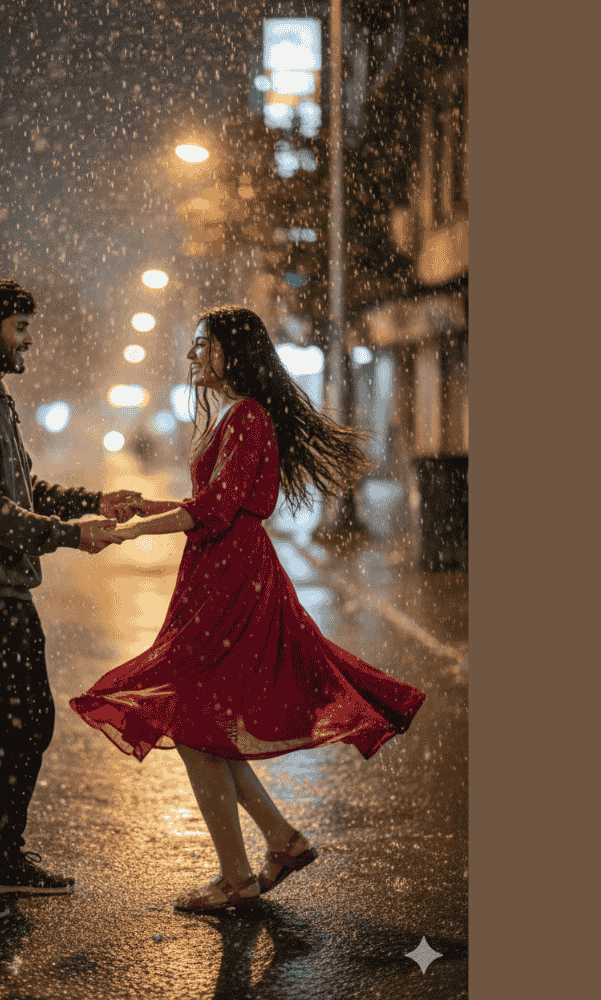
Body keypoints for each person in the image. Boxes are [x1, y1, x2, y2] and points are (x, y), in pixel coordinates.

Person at [71, 306, 426, 913]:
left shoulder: (248, 417)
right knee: (200, 725)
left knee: (193, 723)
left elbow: (217, 509)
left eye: (202, 346)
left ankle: (239, 875)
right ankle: (280, 842)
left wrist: (131, 534)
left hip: (232, 578)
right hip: (220, 571)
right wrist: (147, 508)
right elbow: (214, 502)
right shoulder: (239, 416)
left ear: (231, 353)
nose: (192, 357)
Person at [0, 277, 143, 920]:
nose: (28, 340)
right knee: (9, 721)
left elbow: (21, 489)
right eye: (19, 328)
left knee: (30, 718)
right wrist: (70, 536)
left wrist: (94, 503)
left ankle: (0, 853)